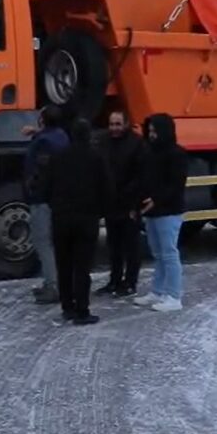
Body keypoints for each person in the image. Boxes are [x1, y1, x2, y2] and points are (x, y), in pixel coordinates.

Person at [42, 118, 113, 325]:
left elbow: (45, 188)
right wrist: (100, 211)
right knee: (82, 267)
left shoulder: (57, 157)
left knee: (64, 265)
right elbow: (107, 188)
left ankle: (67, 307)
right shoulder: (96, 158)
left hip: (61, 218)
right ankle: (82, 310)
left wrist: (56, 206)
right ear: (89, 135)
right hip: (86, 218)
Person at [132, 113, 188, 312]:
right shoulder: (149, 153)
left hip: (169, 211)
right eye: (150, 131)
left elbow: (176, 185)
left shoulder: (177, 154)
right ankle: (158, 291)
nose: (152, 135)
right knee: (158, 253)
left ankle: (174, 295)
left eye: (155, 131)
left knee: (169, 253)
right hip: (152, 211)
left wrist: (155, 199)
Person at [95, 110, 147, 298]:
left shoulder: (137, 143)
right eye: (111, 124)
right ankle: (114, 280)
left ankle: (130, 282)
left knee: (131, 246)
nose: (114, 128)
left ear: (126, 124)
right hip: (111, 203)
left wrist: (133, 201)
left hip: (129, 203)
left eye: (118, 124)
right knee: (113, 245)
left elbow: (141, 175)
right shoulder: (103, 141)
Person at [21, 104, 69, 304]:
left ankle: (53, 286)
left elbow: (40, 171)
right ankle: (55, 282)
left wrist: (31, 189)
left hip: (42, 199)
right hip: (59, 198)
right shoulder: (62, 136)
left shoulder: (43, 143)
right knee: (55, 242)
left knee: (43, 242)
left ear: (42, 120)